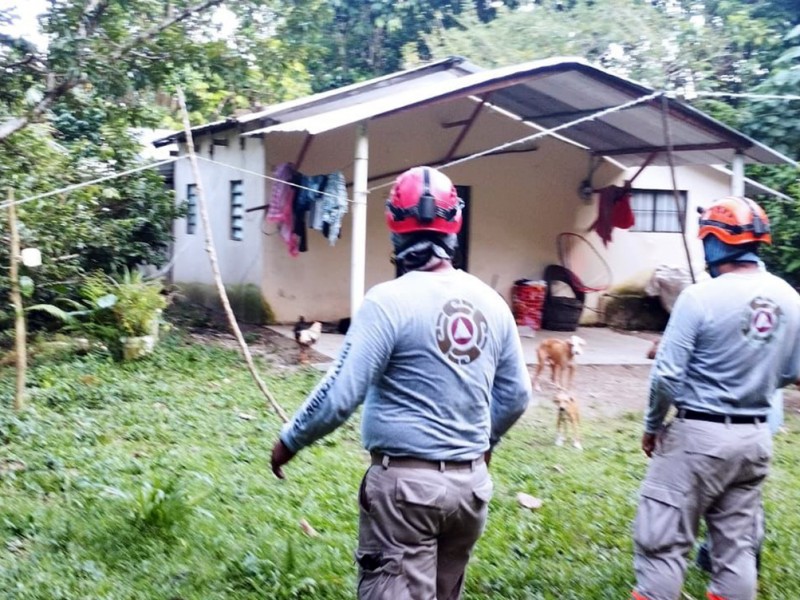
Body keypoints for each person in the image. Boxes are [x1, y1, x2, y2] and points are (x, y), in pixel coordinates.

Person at [270, 166, 532, 600]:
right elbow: (518, 394)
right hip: (470, 491)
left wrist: (290, 440)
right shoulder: (491, 302)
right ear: (455, 223)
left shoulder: (387, 302)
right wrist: (485, 444)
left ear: (394, 225)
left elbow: (340, 394)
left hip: (406, 494)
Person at [631, 196, 800, 600]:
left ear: (713, 241)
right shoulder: (790, 298)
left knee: (663, 545)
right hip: (756, 439)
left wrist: (653, 426)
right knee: (737, 552)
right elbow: (792, 372)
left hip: (698, 438)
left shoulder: (698, 297)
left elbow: (666, 376)